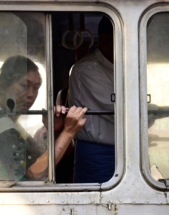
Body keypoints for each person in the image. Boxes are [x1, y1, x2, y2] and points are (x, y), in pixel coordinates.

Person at [0, 55, 87, 180]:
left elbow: (55, 157)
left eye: (36, 88)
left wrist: (56, 130)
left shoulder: (8, 122)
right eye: (24, 86)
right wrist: (68, 132)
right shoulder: (0, 124)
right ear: (3, 86)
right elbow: (35, 172)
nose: (30, 95)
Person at [68, 16, 114, 183]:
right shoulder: (87, 69)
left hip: (123, 152)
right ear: (105, 40)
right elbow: (117, 108)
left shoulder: (119, 68)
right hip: (97, 155)